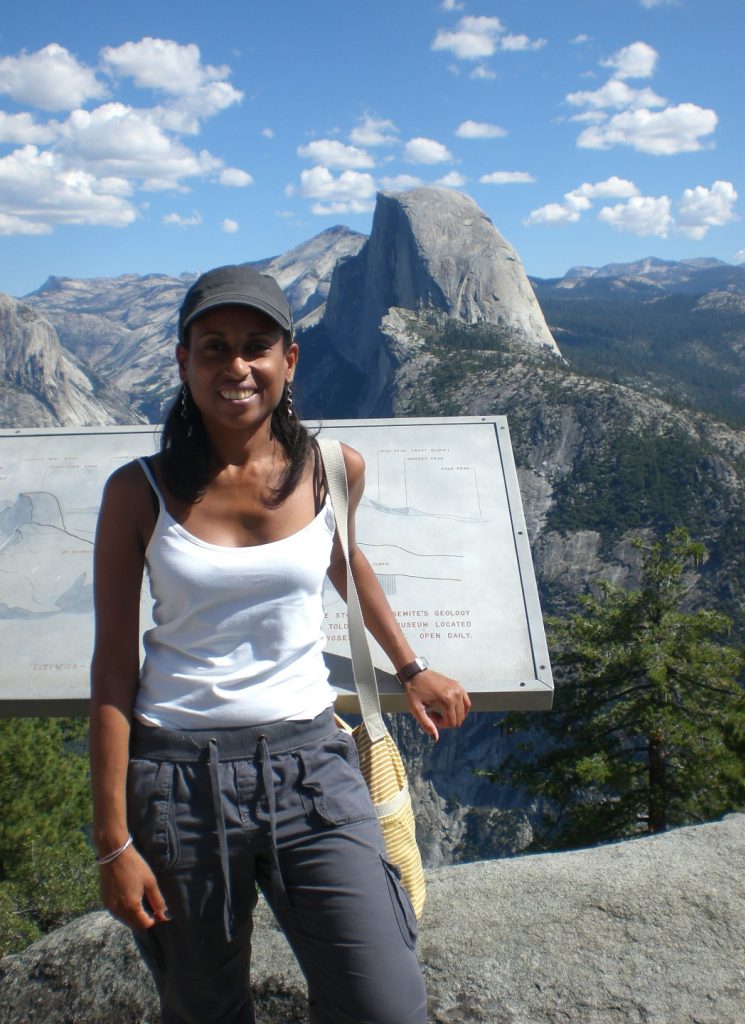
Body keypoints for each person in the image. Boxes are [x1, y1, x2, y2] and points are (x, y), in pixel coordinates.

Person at [89, 264, 471, 1024]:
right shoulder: (138, 490)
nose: (237, 367)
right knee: (205, 1010)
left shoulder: (334, 469)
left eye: (256, 346)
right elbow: (110, 667)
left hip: (312, 770)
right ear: (183, 361)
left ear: (289, 359)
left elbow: (342, 557)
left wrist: (411, 665)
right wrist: (111, 841)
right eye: (214, 347)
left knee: (386, 1006)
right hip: (179, 783)